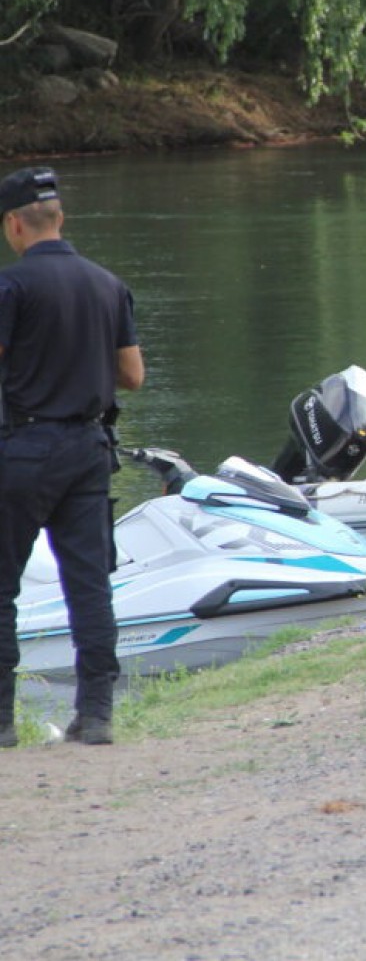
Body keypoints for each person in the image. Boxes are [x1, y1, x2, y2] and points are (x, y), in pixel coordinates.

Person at [0, 166, 145, 748]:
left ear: (14, 225)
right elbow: (132, 375)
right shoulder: (108, 285)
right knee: (88, 586)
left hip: (22, 451)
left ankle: (4, 725)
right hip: (89, 449)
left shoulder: (11, 289)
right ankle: (97, 715)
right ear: (59, 218)